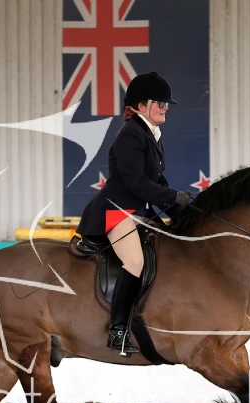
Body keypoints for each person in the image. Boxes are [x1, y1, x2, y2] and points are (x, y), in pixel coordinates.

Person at [75, 72, 191, 356]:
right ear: (142, 106)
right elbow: (135, 182)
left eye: (166, 103)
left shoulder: (150, 134)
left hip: (138, 210)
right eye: (160, 103)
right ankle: (117, 331)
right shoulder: (131, 134)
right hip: (117, 210)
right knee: (135, 261)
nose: (166, 107)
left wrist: (180, 206)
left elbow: (156, 179)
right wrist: (171, 197)